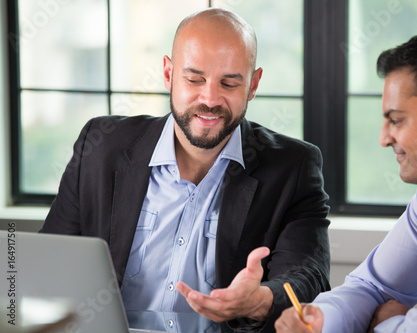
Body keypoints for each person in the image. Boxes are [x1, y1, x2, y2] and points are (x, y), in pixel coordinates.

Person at [40, 7, 331, 332]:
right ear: (168, 74)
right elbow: (49, 260)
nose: (209, 98)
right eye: (194, 79)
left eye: (230, 83)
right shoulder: (101, 147)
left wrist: (260, 300)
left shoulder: (293, 167)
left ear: (253, 84)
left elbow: (309, 277)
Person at [275, 31, 417, 333]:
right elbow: (373, 285)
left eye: (396, 120)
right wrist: (321, 320)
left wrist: (384, 323)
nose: (383, 139)